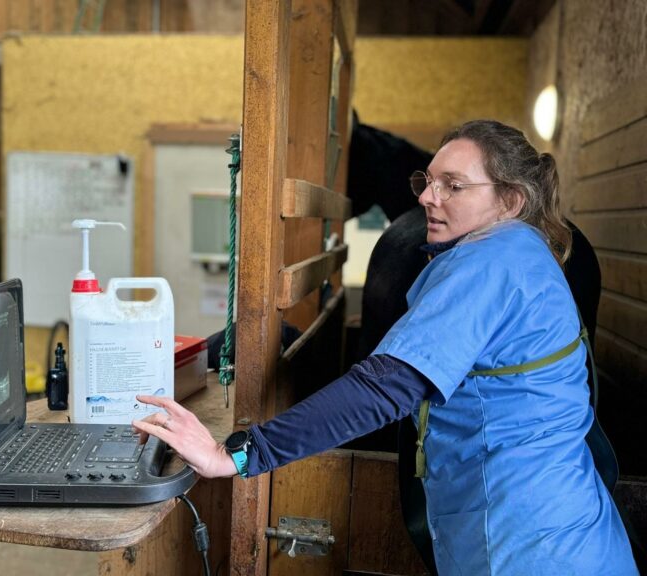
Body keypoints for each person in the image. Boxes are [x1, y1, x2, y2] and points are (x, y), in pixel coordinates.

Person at [133, 120, 638, 575]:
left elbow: (386, 386)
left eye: (454, 186)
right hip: (558, 529)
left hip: (528, 547)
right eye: (429, 181)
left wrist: (236, 457)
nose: (427, 197)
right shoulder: (520, 251)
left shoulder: (493, 261)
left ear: (510, 201)